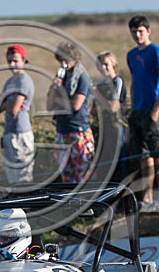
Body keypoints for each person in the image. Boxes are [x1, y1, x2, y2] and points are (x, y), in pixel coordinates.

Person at [126, 15, 159, 213]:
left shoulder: (156, 51)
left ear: (148, 31)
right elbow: (134, 80)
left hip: (154, 111)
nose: (137, 35)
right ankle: (148, 196)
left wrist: (156, 109)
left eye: (141, 31)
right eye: (134, 32)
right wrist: (132, 105)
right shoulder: (131, 54)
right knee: (144, 157)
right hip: (138, 110)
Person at [47, 41, 95, 184]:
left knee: (83, 174)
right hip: (62, 131)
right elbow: (49, 106)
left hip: (78, 130)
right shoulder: (61, 77)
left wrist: (58, 101)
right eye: (60, 60)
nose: (63, 63)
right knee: (67, 176)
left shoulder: (82, 77)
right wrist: (54, 88)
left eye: (66, 59)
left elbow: (76, 105)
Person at [0, 44, 35, 184]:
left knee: (23, 177)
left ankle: (29, 206)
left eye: (15, 60)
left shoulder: (24, 80)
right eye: (9, 61)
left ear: (24, 60)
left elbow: (13, 109)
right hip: (9, 132)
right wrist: (11, 102)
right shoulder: (10, 81)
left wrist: (9, 102)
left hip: (21, 134)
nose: (12, 64)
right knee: (12, 178)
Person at [94, 51, 128, 180]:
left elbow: (113, 107)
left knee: (119, 164)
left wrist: (98, 96)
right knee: (105, 166)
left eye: (106, 64)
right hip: (104, 128)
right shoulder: (100, 85)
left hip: (117, 127)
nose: (103, 68)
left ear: (113, 65)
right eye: (100, 65)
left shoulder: (117, 82)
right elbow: (94, 110)